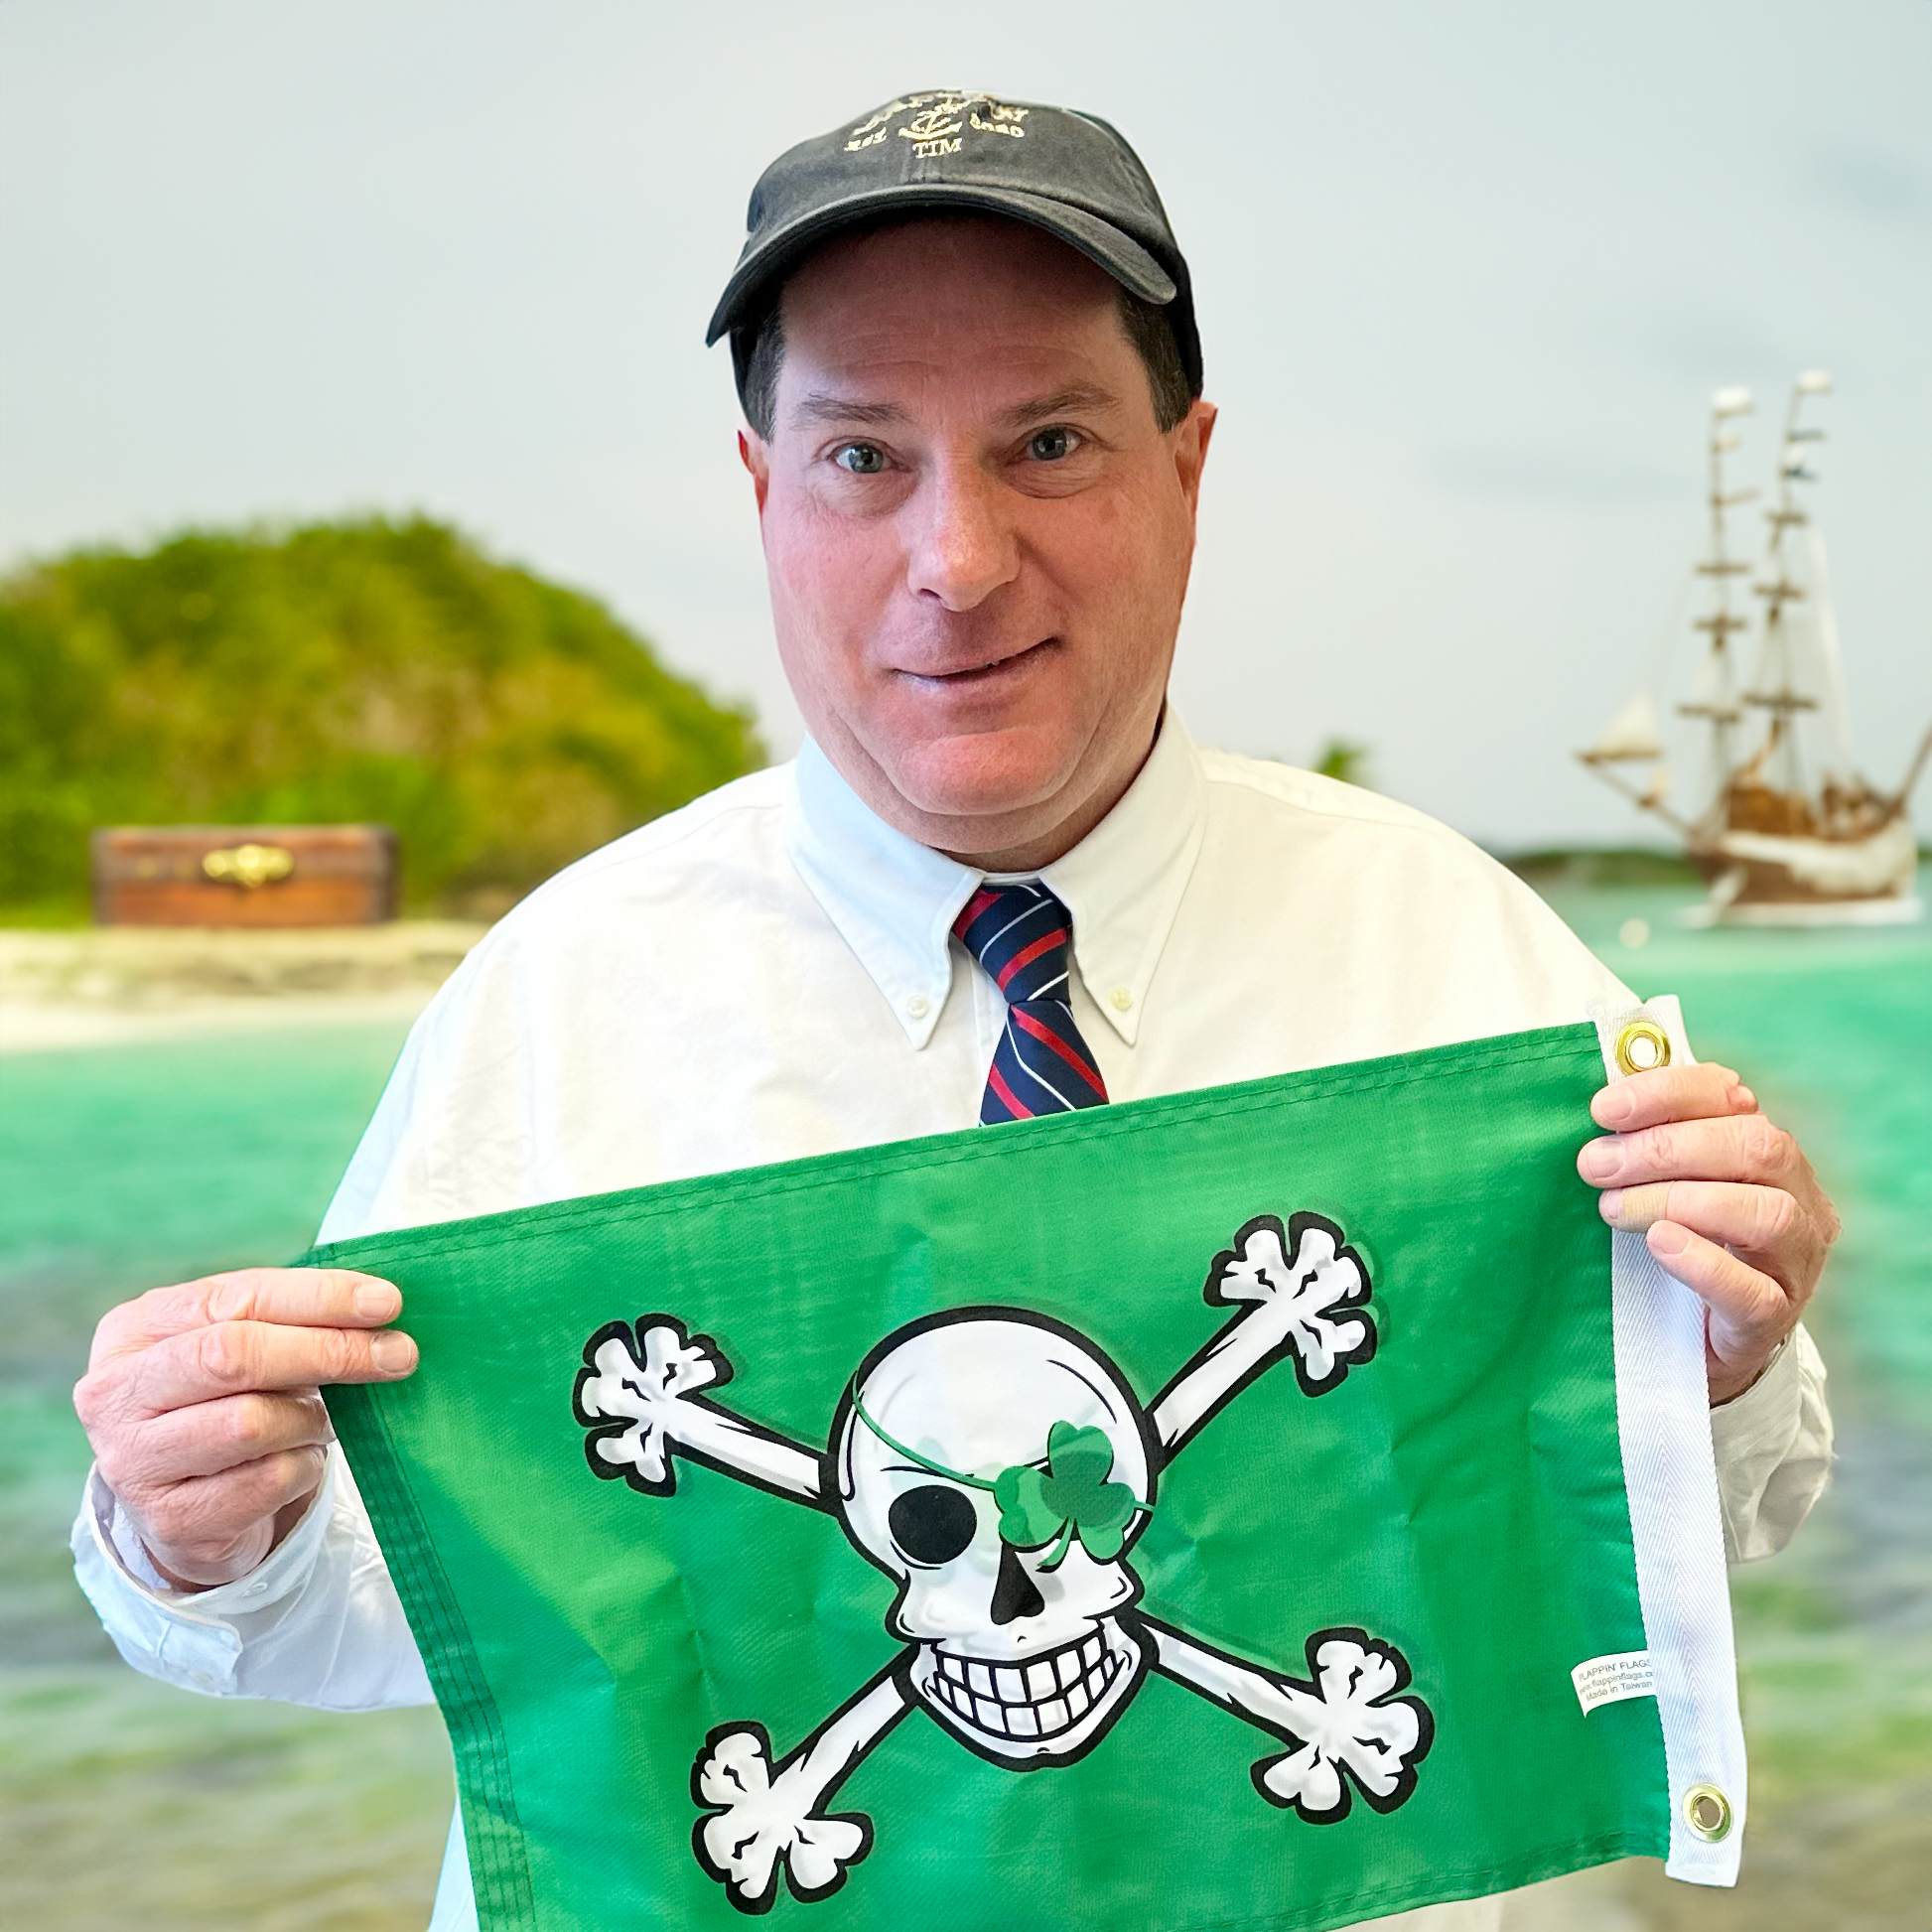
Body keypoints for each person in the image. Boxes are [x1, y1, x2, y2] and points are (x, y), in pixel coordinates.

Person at [71, 90, 1836, 1931]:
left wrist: (1704, 1359)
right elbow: (398, 1601)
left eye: (1049, 442)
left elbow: (1678, 1528)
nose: (958, 559)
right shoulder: (561, 1003)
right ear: (763, 491)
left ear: (1187, 467)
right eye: (860, 460)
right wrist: (206, 1525)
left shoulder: (1456, 958)